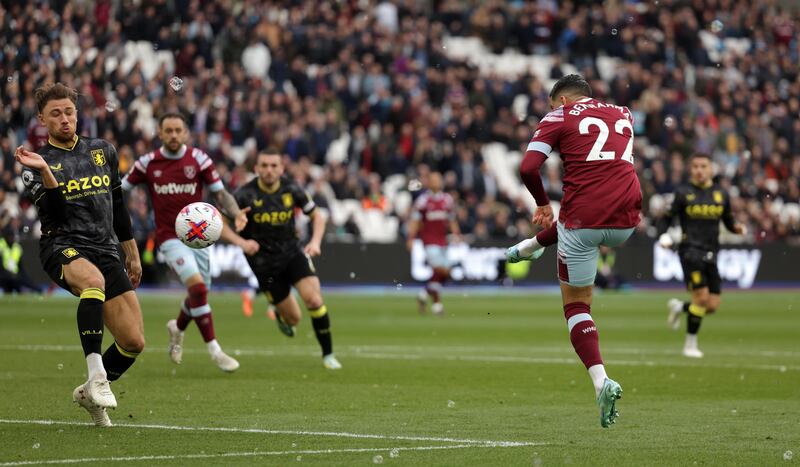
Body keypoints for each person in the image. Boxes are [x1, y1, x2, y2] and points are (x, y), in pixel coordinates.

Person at [515, 74, 642, 428]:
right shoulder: (623, 113)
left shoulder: (559, 115)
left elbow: (527, 168)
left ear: (561, 100)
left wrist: (542, 204)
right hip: (628, 219)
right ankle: (531, 246)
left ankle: (602, 381)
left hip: (583, 218)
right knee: (577, 225)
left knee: (576, 305)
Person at [17, 82, 145, 427]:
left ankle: (90, 393)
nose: (64, 119)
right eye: (55, 113)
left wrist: (130, 251)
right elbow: (55, 215)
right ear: (42, 119)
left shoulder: (102, 150)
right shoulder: (35, 163)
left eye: (69, 112)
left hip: (105, 247)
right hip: (62, 245)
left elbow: (117, 203)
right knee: (93, 282)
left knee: (133, 342)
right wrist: (45, 172)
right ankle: (97, 374)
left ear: (78, 113)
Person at [121, 113, 256, 372]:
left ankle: (178, 327)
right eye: (168, 130)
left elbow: (221, 194)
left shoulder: (199, 159)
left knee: (199, 291)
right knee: (198, 287)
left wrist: (237, 212)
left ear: (185, 133)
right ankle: (215, 350)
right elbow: (120, 191)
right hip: (169, 237)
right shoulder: (147, 163)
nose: (173, 135)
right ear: (159, 133)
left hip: (200, 237)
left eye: (177, 130)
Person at [233, 150, 342, 370]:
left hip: (292, 253)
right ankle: (282, 317)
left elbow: (317, 216)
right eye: (264, 165)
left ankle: (328, 355)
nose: (269, 170)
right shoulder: (244, 195)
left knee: (314, 300)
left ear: (282, 169)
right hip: (263, 265)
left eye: (274, 166)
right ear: (256, 169)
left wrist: (316, 242)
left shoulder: (291, 189)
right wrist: (241, 242)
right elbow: (222, 225)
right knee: (294, 319)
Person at [658, 153, 746, 358]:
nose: (699, 170)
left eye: (703, 166)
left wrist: (737, 228)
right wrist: (663, 235)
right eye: (695, 166)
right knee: (701, 298)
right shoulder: (682, 193)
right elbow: (665, 218)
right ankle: (690, 345)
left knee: (712, 305)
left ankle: (680, 307)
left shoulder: (721, 194)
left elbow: (728, 221)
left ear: (711, 169)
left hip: (711, 253)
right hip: (689, 251)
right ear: (691, 170)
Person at [406, 172, 461, 315]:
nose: (437, 182)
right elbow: (415, 221)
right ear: (429, 183)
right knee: (440, 270)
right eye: (434, 180)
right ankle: (437, 306)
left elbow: (451, 219)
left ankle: (423, 294)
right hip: (429, 241)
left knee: (444, 273)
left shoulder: (447, 200)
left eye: (439, 179)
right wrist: (411, 238)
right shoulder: (423, 201)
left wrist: (456, 234)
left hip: (443, 241)